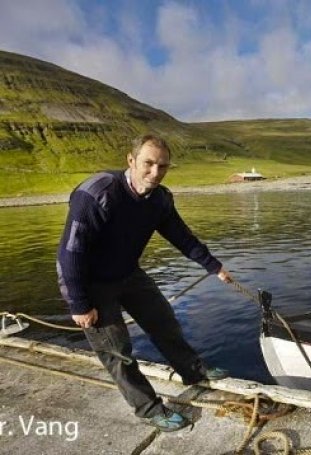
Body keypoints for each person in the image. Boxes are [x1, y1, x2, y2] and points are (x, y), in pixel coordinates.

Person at [56, 133, 231, 432]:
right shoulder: (97, 193)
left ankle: (193, 370)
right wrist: (79, 303)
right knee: (117, 351)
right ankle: (149, 408)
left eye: (162, 166)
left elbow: (181, 236)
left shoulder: (160, 199)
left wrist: (213, 266)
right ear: (131, 160)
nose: (155, 173)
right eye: (148, 164)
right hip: (90, 282)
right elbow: (70, 252)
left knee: (163, 320)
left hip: (128, 273)